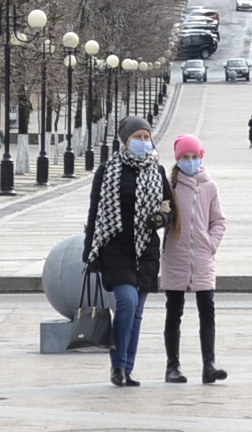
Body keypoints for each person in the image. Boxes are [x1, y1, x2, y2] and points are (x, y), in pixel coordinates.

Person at [83, 115, 169, 388]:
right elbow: (95, 211)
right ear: (125, 141)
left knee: (137, 311)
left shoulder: (157, 171)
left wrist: (161, 218)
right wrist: (89, 251)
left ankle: (127, 369)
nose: (143, 142)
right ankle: (118, 364)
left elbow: (169, 208)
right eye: (137, 137)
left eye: (146, 137)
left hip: (145, 250)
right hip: (115, 247)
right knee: (127, 303)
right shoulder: (107, 170)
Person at [160, 134, 228, 384]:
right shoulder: (170, 186)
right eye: (185, 157)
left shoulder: (210, 186)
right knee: (174, 310)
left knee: (207, 310)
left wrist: (211, 244)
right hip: (176, 257)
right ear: (178, 160)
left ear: (201, 157)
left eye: (194, 156)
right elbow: (161, 219)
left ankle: (209, 365)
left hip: (202, 257)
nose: (190, 161)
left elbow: (218, 221)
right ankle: (172, 366)